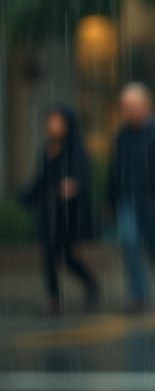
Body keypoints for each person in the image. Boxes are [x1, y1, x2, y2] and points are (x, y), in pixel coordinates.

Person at [19, 104, 99, 315]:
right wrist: (27, 195)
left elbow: (83, 175)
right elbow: (41, 180)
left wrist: (74, 184)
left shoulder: (76, 150)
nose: (52, 126)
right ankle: (54, 299)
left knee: (68, 257)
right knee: (49, 255)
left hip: (68, 213)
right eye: (50, 121)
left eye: (57, 121)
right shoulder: (47, 150)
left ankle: (91, 285)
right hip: (49, 211)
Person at [106, 82, 155, 312]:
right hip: (129, 199)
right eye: (124, 107)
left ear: (145, 106)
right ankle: (138, 294)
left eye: (131, 106)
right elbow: (115, 170)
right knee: (129, 241)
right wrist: (110, 200)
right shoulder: (122, 137)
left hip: (154, 199)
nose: (127, 112)